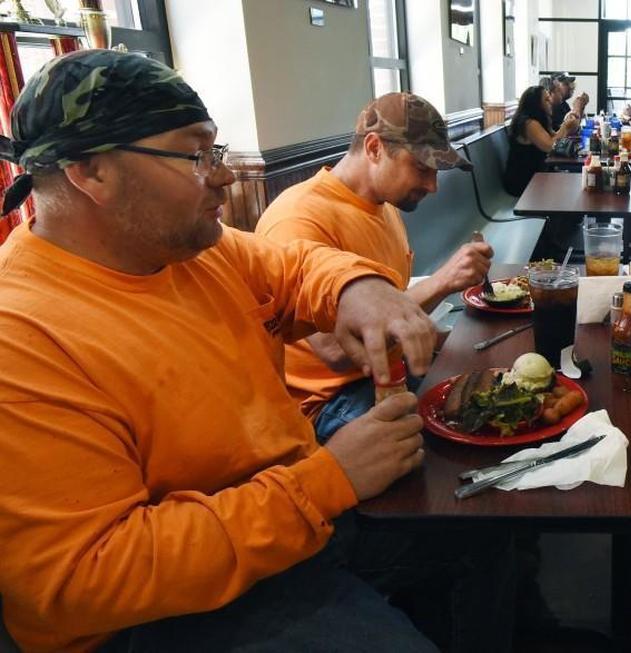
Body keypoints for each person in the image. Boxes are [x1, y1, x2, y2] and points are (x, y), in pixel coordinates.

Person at [0, 49, 481, 652]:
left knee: (480, 518)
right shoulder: (23, 335)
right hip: (161, 617)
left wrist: (359, 288)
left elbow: (294, 266)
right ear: (92, 171)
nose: (223, 175)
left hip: (285, 522)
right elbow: (84, 579)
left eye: (217, 151)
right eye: (195, 154)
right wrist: (327, 481)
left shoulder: (195, 250)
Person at [256, 93, 493, 439]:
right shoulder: (299, 218)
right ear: (373, 148)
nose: (433, 186)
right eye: (422, 168)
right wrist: (442, 282)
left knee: (495, 395)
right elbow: (338, 352)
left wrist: (451, 342)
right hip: (329, 404)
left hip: (390, 372)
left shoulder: (385, 206)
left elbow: (389, 311)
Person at [503, 84, 580, 197]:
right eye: (546, 99)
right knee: (571, 191)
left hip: (538, 176)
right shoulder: (529, 123)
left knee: (573, 186)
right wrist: (566, 126)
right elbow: (550, 146)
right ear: (536, 104)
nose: (550, 101)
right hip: (523, 182)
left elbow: (556, 137)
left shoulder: (540, 120)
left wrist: (568, 123)